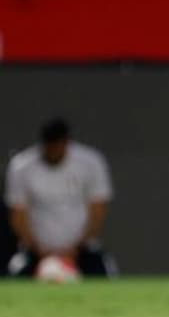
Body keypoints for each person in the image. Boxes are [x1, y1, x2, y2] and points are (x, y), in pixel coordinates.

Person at [5, 119, 115, 278]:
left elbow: (98, 211)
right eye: (49, 146)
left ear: (67, 142)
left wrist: (75, 249)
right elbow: (18, 216)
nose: (53, 150)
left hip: (82, 250)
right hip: (36, 252)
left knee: (103, 275)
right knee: (15, 277)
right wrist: (41, 251)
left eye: (58, 145)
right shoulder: (21, 166)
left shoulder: (91, 162)